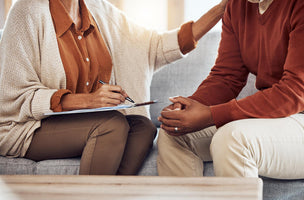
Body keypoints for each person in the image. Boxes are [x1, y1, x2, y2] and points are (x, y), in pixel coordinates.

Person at [0, 0, 228, 175]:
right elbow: (15, 94)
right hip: (26, 126)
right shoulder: (26, 11)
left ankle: (112, 194)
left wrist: (223, 7)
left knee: (142, 127)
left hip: (80, 123)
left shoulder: (98, 10)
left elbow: (156, 47)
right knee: (111, 125)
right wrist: (89, 100)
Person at [157, 0, 304, 179]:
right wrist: (189, 107)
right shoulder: (237, 5)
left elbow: (296, 92)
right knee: (173, 133)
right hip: (278, 117)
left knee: (231, 139)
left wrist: (211, 114)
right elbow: (226, 77)